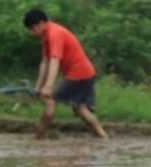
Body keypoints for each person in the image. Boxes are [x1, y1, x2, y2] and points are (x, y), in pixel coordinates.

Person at [23, 8, 108, 139]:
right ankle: (102, 136)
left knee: (50, 100)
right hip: (85, 72)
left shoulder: (54, 34)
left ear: (40, 24)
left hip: (78, 73)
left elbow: (55, 60)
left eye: (32, 28)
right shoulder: (47, 36)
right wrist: (38, 87)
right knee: (81, 109)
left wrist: (48, 87)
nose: (31, 32)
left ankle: (39, 137)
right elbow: (45, 62)